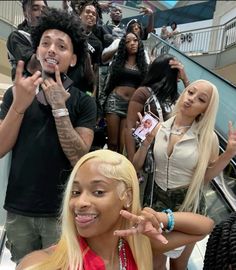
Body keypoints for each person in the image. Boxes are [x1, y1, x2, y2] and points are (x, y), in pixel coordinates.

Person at [0, 8, 97, 263]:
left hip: (62, 211)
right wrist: (19, 105)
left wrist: (59, 108)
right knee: (24, 264)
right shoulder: (15, 94)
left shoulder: (83, 103)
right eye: (45, 43)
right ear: (37, 51)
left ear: (73, 59)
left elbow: (79, 156)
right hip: (19, 207)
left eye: (61, 46)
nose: (52, 50)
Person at [16, 149, 214, 270]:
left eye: (98, 191)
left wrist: (159, 218)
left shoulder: (138, 246)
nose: (80, 202)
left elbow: (204, 227)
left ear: (126, 196)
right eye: (76, 192)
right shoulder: (45, 263)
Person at [133, 79, 236, 269]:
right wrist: (145, 143)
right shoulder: (158, 127)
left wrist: (228, 154)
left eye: (201, 99)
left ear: (205, 109)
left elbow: (205, 176)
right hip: (155, 201)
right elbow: (136, 166)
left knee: (178, 265)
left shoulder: (208, 138)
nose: (191, 99)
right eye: (190, 92)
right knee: (154, 262)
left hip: (187, 205)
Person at [125, 54, 190, 162]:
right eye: (177, 70)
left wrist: (185, 79)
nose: (179, 73)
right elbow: (129, 128)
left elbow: (195, 107)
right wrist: (132, 162)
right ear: (167, 72)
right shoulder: (143, 92)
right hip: (146, 153)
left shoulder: (174, 96)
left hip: (169, 154)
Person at [104, 32, 148, 153]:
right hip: (114, 102)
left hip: (131, 107)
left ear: (139, 43)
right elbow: (108, 82)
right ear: (123, 45)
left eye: (135, 40)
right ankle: (110, 170)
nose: (132, 43)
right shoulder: (118, 63)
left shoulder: (144, 66)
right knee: (112, 143)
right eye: (128, 41)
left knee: (124, 144)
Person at [6, 0, 48, 80]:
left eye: (45, 10)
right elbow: (34, 67)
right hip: (30, 89)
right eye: (35, 9)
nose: (41, 13)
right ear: (25, 13)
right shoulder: (17, 37)